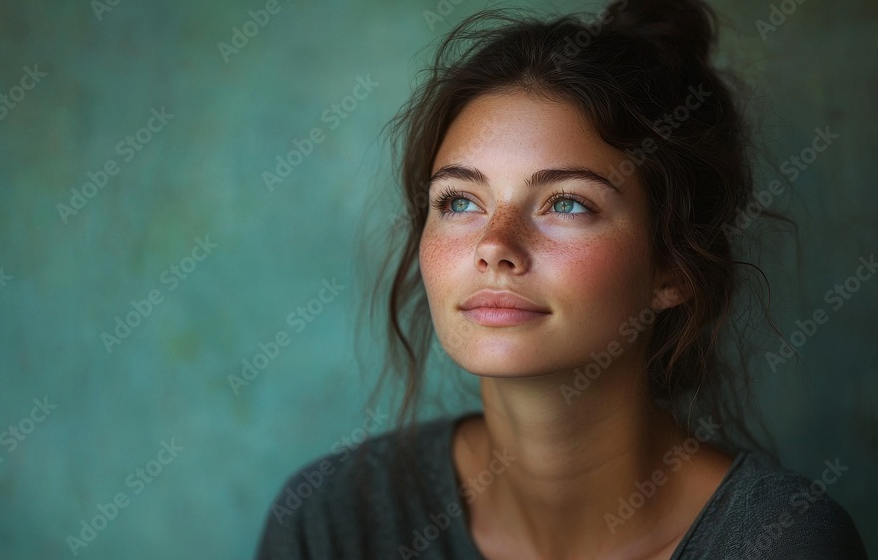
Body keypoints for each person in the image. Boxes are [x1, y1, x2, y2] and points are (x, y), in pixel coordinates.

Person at [255, 0, 868, 558]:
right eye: (459, 202)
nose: (495, 246)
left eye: (567, 204)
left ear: (674, 268)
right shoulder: (330, 522)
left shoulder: (783, 544)